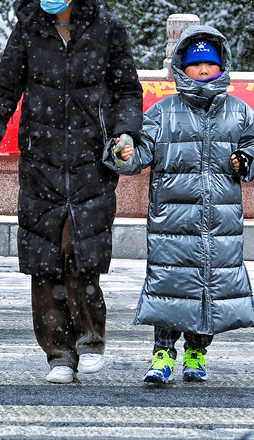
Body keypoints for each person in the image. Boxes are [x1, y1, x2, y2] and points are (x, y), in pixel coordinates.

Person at [0, 0, 143, 384]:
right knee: (43, 259)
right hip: (41, 161)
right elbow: (3, 92)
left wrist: (126, 132)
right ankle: (58, 354)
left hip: (91, 161)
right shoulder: (29, 29)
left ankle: (89, 339)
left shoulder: (108, 30)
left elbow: (128, 90)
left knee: (79, 252)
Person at [109, 26, 254, 383]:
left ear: (222, 66)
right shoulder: (163, 112)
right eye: (195, 64)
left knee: (209, 287)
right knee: (170, 287)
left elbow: (253, 147)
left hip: (220, 222)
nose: (203, 70)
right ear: (181, 68)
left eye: (210, 63)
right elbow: (139, 153)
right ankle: (162, 354)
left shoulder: (239, 112)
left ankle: (196, 353)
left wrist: (245, 160)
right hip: (172, 221)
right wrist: (123, 152)